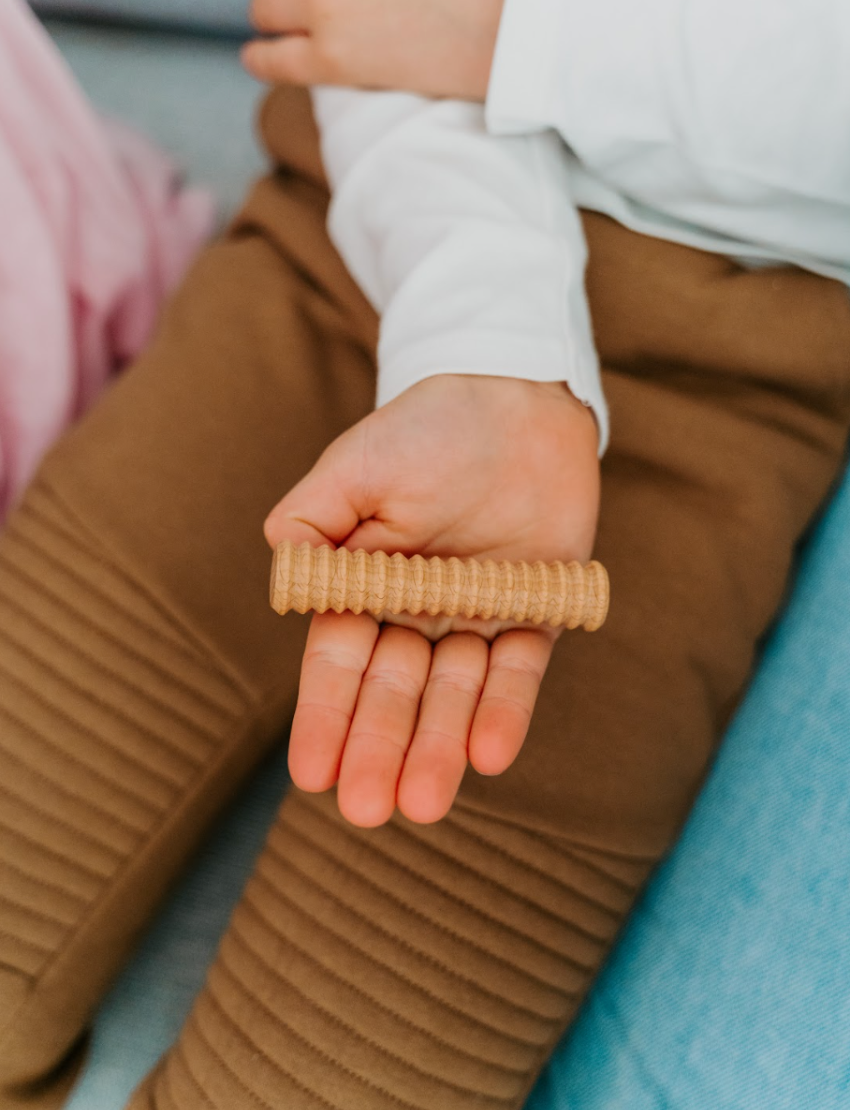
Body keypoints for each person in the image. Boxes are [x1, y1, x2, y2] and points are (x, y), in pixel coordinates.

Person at [0, 1, 848, 1107]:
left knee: (327, 1080)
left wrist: (520, 42)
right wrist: (487, 334)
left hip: (730, 401)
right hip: (353, 240)